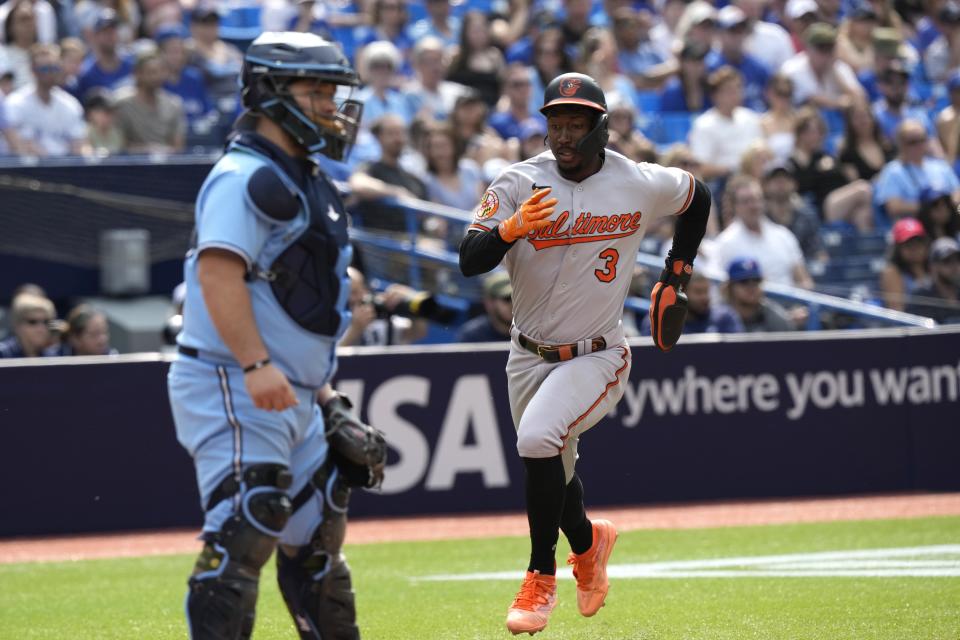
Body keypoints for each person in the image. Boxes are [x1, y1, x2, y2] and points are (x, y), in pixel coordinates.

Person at [459, 72, 710, 636]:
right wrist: (508, 230)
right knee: (556, 472)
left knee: (537, 440)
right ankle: (589, 543)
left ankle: (540, 576)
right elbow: (469, 259)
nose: (563, 136)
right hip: (526, 354)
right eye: (555, 124)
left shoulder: (637, 181)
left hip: (598, 353)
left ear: (602, 128)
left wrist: (677, 273)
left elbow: (697, 196)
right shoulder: (518, 182)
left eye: (575, 125)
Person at [167, 32, 385, 640]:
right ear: (269, 93)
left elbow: (290, 303)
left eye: (331, 91)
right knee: (247, 524)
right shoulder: (243, 175)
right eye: (316, 90)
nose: (329, 104)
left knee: (317, 541)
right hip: (231, 378)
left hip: (291, 390)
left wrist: (326, 398)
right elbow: (219, 271)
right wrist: (256, 362)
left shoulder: (306, 177)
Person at [339, 266, 430, 346]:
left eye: (358, 291)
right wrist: (355, 329)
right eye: (350, 293)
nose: (356, 298)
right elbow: (330, 359)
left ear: (365, 290)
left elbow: (419, 332)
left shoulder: (379, 317)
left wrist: (410, 298)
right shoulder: (332, 321)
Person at [640, 271, 744, 334]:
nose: (705, 297)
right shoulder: (658, 322)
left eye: (706, 292)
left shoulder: (724, 317)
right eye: (698, 292)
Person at [723, 257, 796, 332]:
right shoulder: (719, 317)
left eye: (756, 280)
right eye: (744, 281)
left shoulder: (775, 317)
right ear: (730, 287)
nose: (751, 287)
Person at [879, 217, 930, 311]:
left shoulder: (933, 267)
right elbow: (897, 310)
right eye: (908, 244)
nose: (914, 248)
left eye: (918, 242)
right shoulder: (891, 272)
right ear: (898, 249)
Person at [907, 237, 960, 323]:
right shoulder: (921, 295)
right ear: (933, 267)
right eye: (947, 261)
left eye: (958, 259)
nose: (955, 266)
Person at [456, 270, 514, 342]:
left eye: (517, 298)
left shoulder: (530, 332)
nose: (513, 304)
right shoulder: (471, 336)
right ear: (489, 303)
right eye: (507, 298)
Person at [0, 292, 56, 358]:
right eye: (32, 322)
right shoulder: (2, 353)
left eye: (46, 322)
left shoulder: (53, 355)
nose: (41, 328)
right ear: (18, 325)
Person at [48, 304, 116, 355]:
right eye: (94, 334)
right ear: (74, 339)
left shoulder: (113, 358)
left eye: (105, 332)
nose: (102, 339)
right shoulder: (52, 359)